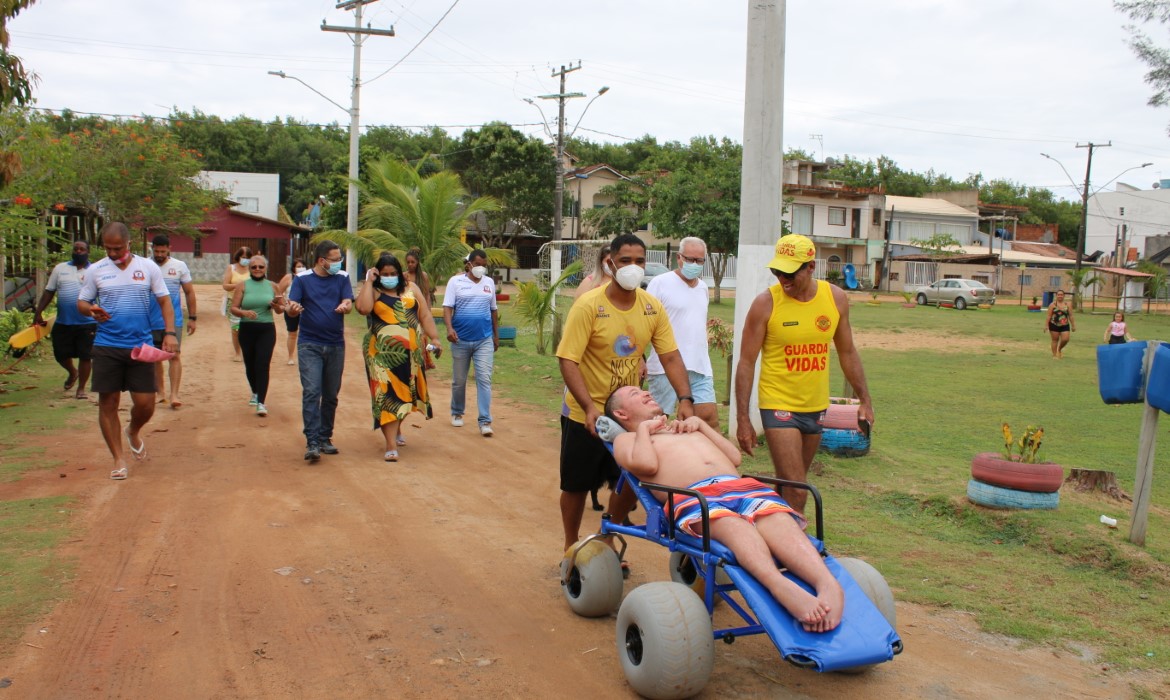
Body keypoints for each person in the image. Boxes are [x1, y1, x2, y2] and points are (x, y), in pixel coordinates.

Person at [606, 385, 844, 632]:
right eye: (635, 394)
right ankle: (778, 584)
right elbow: (646, 465)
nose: (646, 393)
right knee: (736, 529)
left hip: (740, 487)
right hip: (695, 497)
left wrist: (701, 426)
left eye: (645, 391)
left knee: (778, 520)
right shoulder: (628, 439)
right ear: (622, 415)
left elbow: (734, 457)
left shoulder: (685, 427)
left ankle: (827, 582)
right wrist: (644, 430)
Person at [556, 233, 695, 558]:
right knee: (576, 485)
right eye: (625, 261)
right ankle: (570, 544)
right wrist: (589, 406)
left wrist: (685, 400)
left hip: (629, 416)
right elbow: (568, 360)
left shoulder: (651, 307)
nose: (633, 268)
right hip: (585, 412)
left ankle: (606, 536)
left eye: (639, 261)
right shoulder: (589, 306)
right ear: (610, 263)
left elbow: (671, 356)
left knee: (636, 478)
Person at [735, 234, 873, 516]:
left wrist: (865, 401)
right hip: (779, 405)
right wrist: (743, 420)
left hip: (816, 406)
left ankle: (763, 530)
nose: (782, 279)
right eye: (777, 271)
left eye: (789, 272)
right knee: (799, 489)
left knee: (788, 486)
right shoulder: (765, 304)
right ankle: (793, 555)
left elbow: (847, 352)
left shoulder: (834, 298)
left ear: (810, 267)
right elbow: (746, 362)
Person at [77, 222, 178, 480]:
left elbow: (165, 301)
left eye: (118, 248)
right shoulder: (96, 270)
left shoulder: (147, 267)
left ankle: (133, 430)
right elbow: (82, 301)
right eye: (108, 248)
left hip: (140, 346)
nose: (112, 253)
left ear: (129, 244)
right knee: (107, 402)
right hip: (107, 345)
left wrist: (169, 333)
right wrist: (91, 310)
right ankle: (119, 459)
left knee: (146, 404)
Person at [356, 253, 443, 461]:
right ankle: (390, 444)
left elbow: (425, 315)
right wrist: (368, 281)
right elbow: (363, 308)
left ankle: (397, 428)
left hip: (411, 354)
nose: (389, 277)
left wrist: (435, 338)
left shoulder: (411, 289)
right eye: (384, 274)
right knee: (386, 395)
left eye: (393, 273)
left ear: (399, 273)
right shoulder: (374, 291)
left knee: (405, 394)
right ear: (378, 274)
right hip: (380, 354)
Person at [286, 240, 354, 462]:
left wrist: (346, 305)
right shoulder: (302, 280)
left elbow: (348, 301)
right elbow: (291, 308)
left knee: (331, 394)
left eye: (339, 259)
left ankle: (325, 437)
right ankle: (312, 441)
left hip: (335, 344)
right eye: (335, 259)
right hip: (309, 344)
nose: (338, 263)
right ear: (321, 260)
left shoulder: (342, 277)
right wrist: (293, 309)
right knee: (312, 391)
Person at [645, 236, 719, 430]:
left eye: (699, 260)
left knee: (708, 419)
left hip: (699, 365)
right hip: (665, 367)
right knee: (658, 421)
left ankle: (706, 460)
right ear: (679, 258)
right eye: (690, 259)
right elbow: (646, 323)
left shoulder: (703, 288)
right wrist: (638, 358)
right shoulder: (660, 283)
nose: (694, 264)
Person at [443, 249, 499, 436]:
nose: (481, 268)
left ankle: (485, 421)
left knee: (484, 379)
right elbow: (447, 308)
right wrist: (449, 329)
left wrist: (495, 336)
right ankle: (457, 412)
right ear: (469, 264)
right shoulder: (455, 282)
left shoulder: (489, 283)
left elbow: (493, 310)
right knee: (459, 381)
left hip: (484, 339)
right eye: (478, 264)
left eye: (484, 264)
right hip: (460, 339)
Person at [33, 239, 97, 400]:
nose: (78, 252)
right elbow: (49, 291)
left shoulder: (95, 271)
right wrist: (39, 311)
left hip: (87, 323)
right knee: (60, 354)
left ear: (88, 251)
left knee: (85, 356)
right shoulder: (60, 269)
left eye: (82, 249)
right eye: (76, 249)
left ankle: (81, 389)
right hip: (63, 321)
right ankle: (72, 372)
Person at [229, 255, 284, 417]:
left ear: (266, 268)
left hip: (266, 329)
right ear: (249, 269)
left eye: (261, 267)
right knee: (250, 364)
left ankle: (261, 401)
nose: (258, 269)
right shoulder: (242, 286)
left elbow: (281, 310)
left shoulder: (273, 286)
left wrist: (275, 306)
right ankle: (254, 391)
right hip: (247, 329)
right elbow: (233, 308)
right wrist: (244, 312)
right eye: (254, 267)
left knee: (262, 363)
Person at [147, 235, 197, 408]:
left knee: (174, 355)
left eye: (163, 251)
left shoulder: (179, 266)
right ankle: (159, 392)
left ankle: (174, 394)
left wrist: (192, 318)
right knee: (154, 357)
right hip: (150, 321)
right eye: (157, 251)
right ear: (152, 248)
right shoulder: (145, 265)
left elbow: (189, 292)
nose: (159, 254)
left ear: (169, 248)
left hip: (173, 320)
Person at [222, 246, 252, 362]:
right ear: (238, 256)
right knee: (236, 329)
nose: (246, 260)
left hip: (249, 302)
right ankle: (237, 352)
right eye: (244, 257)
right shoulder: (232, 268)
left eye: (248, 257)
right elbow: (225, 285)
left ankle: (248, 351)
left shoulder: (252, 269)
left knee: (249, 328)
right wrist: (239, 285)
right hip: (233, 302)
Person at [278, 258, 308, 365]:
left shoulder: (309, 278)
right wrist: (284, 305)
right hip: (291, 310)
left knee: (307, 333)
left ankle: (306, 357)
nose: (301, 268)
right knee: (292, 333)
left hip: (306, 310)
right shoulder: (288, 278)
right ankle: (290, 356)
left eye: (302, 266)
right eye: (298, 266)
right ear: (293, 268)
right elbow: (279, 292)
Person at [1046, 289, 1075, 358]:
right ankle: (1054, 355)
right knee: (1055, 340)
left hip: (1065, 325)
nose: (1060, 296)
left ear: (1064, 296)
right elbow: (1049, 316)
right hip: (1054, 324)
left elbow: (1070, 315)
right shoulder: (1052, 305)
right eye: (1058, 295)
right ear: (1056, 296)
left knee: (1065, 339)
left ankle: (1059, 349)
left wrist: (1073, 325)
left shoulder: (1068, 304)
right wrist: (1046, 325)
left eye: (1061, 295)